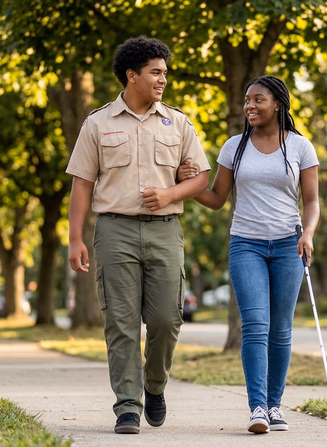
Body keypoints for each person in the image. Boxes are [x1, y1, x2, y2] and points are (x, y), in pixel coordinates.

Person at [66, 36, 210, 435]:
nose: (163, 79)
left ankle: (155, 385)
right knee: (121, 323)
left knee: (167, 319)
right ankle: (127, 406)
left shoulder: (178, 122)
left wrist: (169, 193)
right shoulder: (97, 123)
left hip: (166, 231)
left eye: (165, 72)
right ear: (132, 75)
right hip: (114, 230)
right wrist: (75, 238)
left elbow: (201, 178)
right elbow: (81, 183)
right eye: (156, 72)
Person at [177, 75, 320, 434]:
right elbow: (216, 198)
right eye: (246, 101)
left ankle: (275, 406)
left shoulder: (301, 147)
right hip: (246, 244)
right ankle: (257, 407)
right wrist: (187, 186)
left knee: (281, 329)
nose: (250, 106)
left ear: (278, 104)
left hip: (289, 244)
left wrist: (309, 234)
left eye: (258, 100)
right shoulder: (234, 147)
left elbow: (313, 201)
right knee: (255, 325)